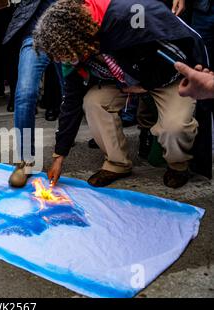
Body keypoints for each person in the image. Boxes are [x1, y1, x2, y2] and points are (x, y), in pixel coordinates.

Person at [34, 0, 207, 189]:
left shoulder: (129, 15)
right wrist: (59, 156)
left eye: (63, 54)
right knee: (93, 102)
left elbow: (182, 49)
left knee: (175, 127)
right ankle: (117, 164)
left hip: (169, 76)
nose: (62, 60)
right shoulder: (74, 50)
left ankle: (178, 165)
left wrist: (147, 85)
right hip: (124, 81)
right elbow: (71, 103)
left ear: (77, 35)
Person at [3, 0, 64, 188]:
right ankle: (25, 161)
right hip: (34, 35)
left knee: (71, 95)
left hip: (67, 33)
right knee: (25, 94)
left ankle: (62, 151)